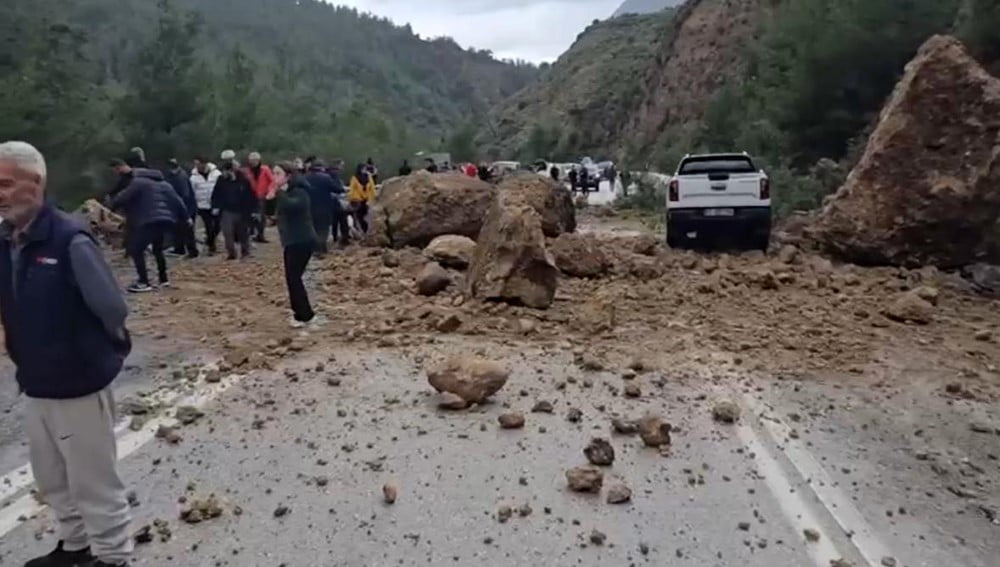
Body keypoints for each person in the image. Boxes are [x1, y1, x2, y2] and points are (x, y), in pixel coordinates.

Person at [0, 142, 134, 567]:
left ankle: (112, 556)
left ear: (35, 183)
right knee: (53, 477)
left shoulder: (69, 239)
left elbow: (113, 310)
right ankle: (75, 547)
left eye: (5, 183)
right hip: (36, 381)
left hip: (78, 382)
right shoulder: (7, 241)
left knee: (93, 480)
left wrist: (97, 353)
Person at [110, 158, 187, 292]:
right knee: (158, 250)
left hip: (148, 220)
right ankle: (164, 279)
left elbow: (122, 198)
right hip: (165, 220)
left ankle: (143, 282)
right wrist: (185, 218)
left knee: (136, 249)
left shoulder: (138, 182)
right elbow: (178, 202)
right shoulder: (165, 184)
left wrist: (110, 207)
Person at [272, 162, 318, 328]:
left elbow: (294, 206)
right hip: (291, 240)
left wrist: (279, 193)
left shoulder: (300, 190)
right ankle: (300, 314)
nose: (274, 177)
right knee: (292, 278)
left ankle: (305, 315)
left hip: (302, 240)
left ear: (288, 175)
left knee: (294, 278)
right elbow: (273, 209)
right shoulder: (287, 191)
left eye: (278, 173)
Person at [211, 150, 256, 260]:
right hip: (227, 210)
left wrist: (254, 210)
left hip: (241, 210)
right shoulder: (221, 180)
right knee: (228, 233)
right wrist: (215, 206)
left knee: (243, 233)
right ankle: (231, 253)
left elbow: (250, 195)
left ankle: (245, 251)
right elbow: (216, 194)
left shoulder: (243, 180)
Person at [164, 158, 198, 258]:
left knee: (187, 230)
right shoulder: (173, 176)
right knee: (177, 229)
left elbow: (185, 195)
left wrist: (182, 209)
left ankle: (192, 251)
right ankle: (179, 248)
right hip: (178, 207)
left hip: (186, 207)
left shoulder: (181, 177)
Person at [304, 160, 338, 256]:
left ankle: (315, 248)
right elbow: (337, 188)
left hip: (309, 207)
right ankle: (320, 248)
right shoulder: (326, 178)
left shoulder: (306, 177)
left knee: (313, 227)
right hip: (324, 207)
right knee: (323, 229)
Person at [190, 157, 221, 255]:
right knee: (209, 226)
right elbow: (192, 192)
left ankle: (210, 239)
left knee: (217, 225)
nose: (197, 166)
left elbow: (221, 188)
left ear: (205, 164)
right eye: (196, 164)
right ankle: (212, 247)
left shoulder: (216, 174)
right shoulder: (193, 177)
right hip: (202, 205)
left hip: (216, 203)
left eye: (199, 164)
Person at [243, 152, 274, 244]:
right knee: (250, 215)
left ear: (259, 160)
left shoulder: (265, 169)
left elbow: (272, 181)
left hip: (261, 195)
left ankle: (260, 235)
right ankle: (251, 233)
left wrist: (269, 191)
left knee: (261, 216)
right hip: (249, 196)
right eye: (251, 160)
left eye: (255, 160)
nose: (253, 162)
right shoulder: (246, 171)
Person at [326, 160, 350, 247]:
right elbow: (337, 188)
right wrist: (343, 190)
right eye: (341, 165)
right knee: (343, 221)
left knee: (334, 222)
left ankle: (335, 237)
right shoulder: (334, 174)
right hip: (337, 201)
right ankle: (344, 239)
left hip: (330, 202)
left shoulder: (327, 174)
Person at [348, 162, 376, 235]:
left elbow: (372, 188)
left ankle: (364, 231)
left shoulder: (368, 177)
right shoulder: (354, 178)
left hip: (366, 200)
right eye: (363, 168)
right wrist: (351, 198)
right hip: (357, 200)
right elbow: (352, 189)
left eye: (365, 168)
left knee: (365, 216)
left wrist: (373, 197)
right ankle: (362, 230)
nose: (364, 170)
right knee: (359, 216)